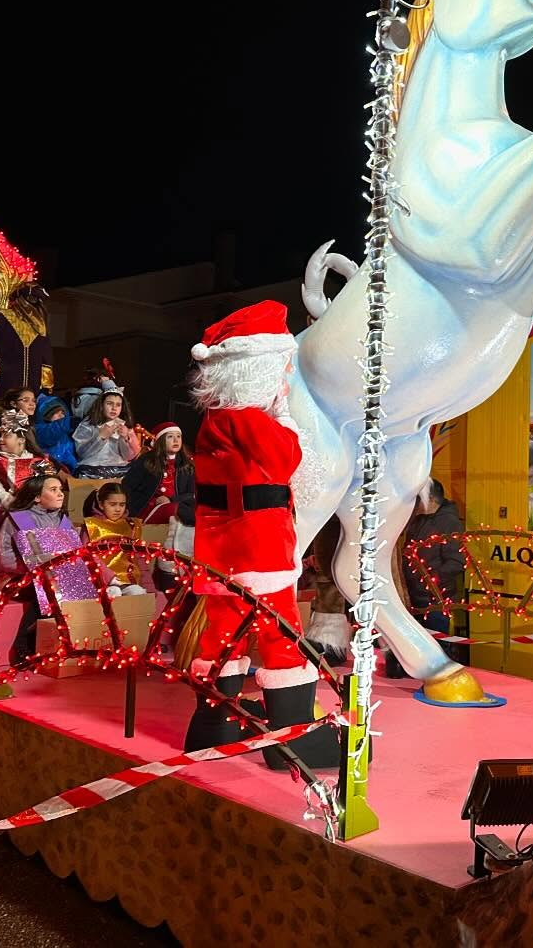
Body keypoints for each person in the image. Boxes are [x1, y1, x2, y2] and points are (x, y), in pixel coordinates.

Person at [181, 300, 339, 769]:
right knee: (280, 633)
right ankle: (291, 740)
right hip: (256, 543)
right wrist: (286, 420)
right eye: (282, 366)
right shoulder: (248, 417)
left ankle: (213, 726)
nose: (286, 377)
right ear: (258, 368)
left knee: (223, 634)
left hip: (223, 543)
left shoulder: (218, 415)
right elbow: (285, 461)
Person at [0, 473, 84, 677]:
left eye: (61, 490)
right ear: (36, 496)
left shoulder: (63, 520)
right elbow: (3, 557)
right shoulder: (17, 519)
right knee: (45, 587)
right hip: (18, 577)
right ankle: (22, 648)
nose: (60, 494)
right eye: (53, 490)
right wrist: (32, 568)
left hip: (54, 578)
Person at [388, 479, 466, 676]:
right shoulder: (418, 519)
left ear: (431, 499)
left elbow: (457, 561)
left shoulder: (449, 522)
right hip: (415, 596)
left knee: (439, 647)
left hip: (436, 599)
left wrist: (431, 580)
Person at [122, 422, 194, 525]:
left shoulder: (187, 466)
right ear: (161, 440)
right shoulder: (147, 461)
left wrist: (170, 499)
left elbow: (191, 495)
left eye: (178, 436)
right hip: (148, 510)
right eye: (170, 437)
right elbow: (127, 486)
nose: (176, 440)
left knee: (186, 509)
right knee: (176, 510)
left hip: (176, 507)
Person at [0, 411, 57, 510]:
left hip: (41, 510)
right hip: (10, 511)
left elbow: (51, 487)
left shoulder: (40, 462)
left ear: (21, 440)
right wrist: (16, 506)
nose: (0, 439)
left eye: (6, 435)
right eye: (0, 435)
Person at [81, 482, 143, 597]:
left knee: (137, 592)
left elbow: (139, 557)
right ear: (101, 504)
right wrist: (109, 577)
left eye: (122, 505)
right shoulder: (92, 525)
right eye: (113, 504)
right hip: (100, 580)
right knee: (114, 593)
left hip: (128, 579)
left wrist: (149, 586)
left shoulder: (131, 525)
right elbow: (87, 555)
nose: (118, 509)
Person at [73, 391, 140, 478]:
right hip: (92, 468)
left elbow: (128, 456)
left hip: (119, 468)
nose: (114, 408)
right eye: (109, 403)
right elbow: (82, 453)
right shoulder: (88, 425)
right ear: (101, 405)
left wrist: (125, 438)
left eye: (118, 405)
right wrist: (100, 437)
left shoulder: (124, 426)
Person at [34, 393, 78, 473]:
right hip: (49, 471)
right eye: (56, 413)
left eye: (63, 413)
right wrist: (68, 423)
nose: (61, 416)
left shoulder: (64, 433)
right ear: (47, 416)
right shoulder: (40, 430)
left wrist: (74, 467)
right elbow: (51, 431)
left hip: (66, 472)